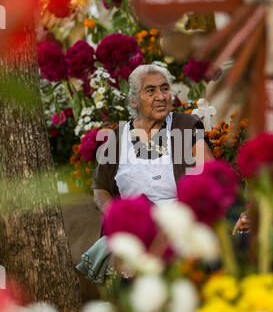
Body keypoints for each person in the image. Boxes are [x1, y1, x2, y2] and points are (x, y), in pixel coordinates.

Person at [76, 64, 247, 284]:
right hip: (136, 229)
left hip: (183, 224)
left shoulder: (185, 127)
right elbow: (100, 188)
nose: (161, 96)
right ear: (133, 100)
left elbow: (208, 173)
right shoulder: (118, 137)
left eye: (165, 89)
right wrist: (117, 216)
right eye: (151, 91)